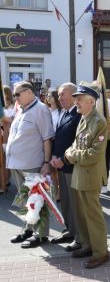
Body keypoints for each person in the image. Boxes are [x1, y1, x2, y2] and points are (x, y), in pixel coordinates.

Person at [63, 82, 109, 269]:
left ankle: (101, 253)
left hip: (89, 175)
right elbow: (76, 143)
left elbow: (94, 154)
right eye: (76, 100)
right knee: (81, 215)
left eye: (79, 99)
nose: (77, 103)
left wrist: (72, 155)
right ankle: (88, 246)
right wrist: (70, 151)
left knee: (93, 215)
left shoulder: (99, 122)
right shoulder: (84, 118)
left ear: (91, 101)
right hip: (79, 174)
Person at [7, 81, 54, 248]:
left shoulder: (40, 109)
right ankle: (28, 229)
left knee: (37, 199)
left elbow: (47, 138)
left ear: (28, 92)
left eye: (17, 94)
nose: (15, 98)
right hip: (17, 164)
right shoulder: (21, 109)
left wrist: (47, 162)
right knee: (26, 201)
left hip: (32, 164)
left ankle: (41, 235)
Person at [49, 83, 82, 252]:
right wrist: (54, 155)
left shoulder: (78, 115)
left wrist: (62, 158)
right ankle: (70, 230)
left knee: (75, 204)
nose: (60, 98)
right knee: (66, 202)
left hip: (72, 166)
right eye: (59, 95)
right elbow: (59, 138)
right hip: (61, 165)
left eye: (63, 95)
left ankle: (79, 237)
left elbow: (77, 143)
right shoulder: (64, 113)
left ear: (74, 95)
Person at [1, 86, 15, 193]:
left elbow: (10, 120)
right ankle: (5, 181)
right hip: (4, 135)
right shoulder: (5, 107)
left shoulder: (13, 107)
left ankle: (5, 181)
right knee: (5, 161)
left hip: (9, 136)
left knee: (7, 160)